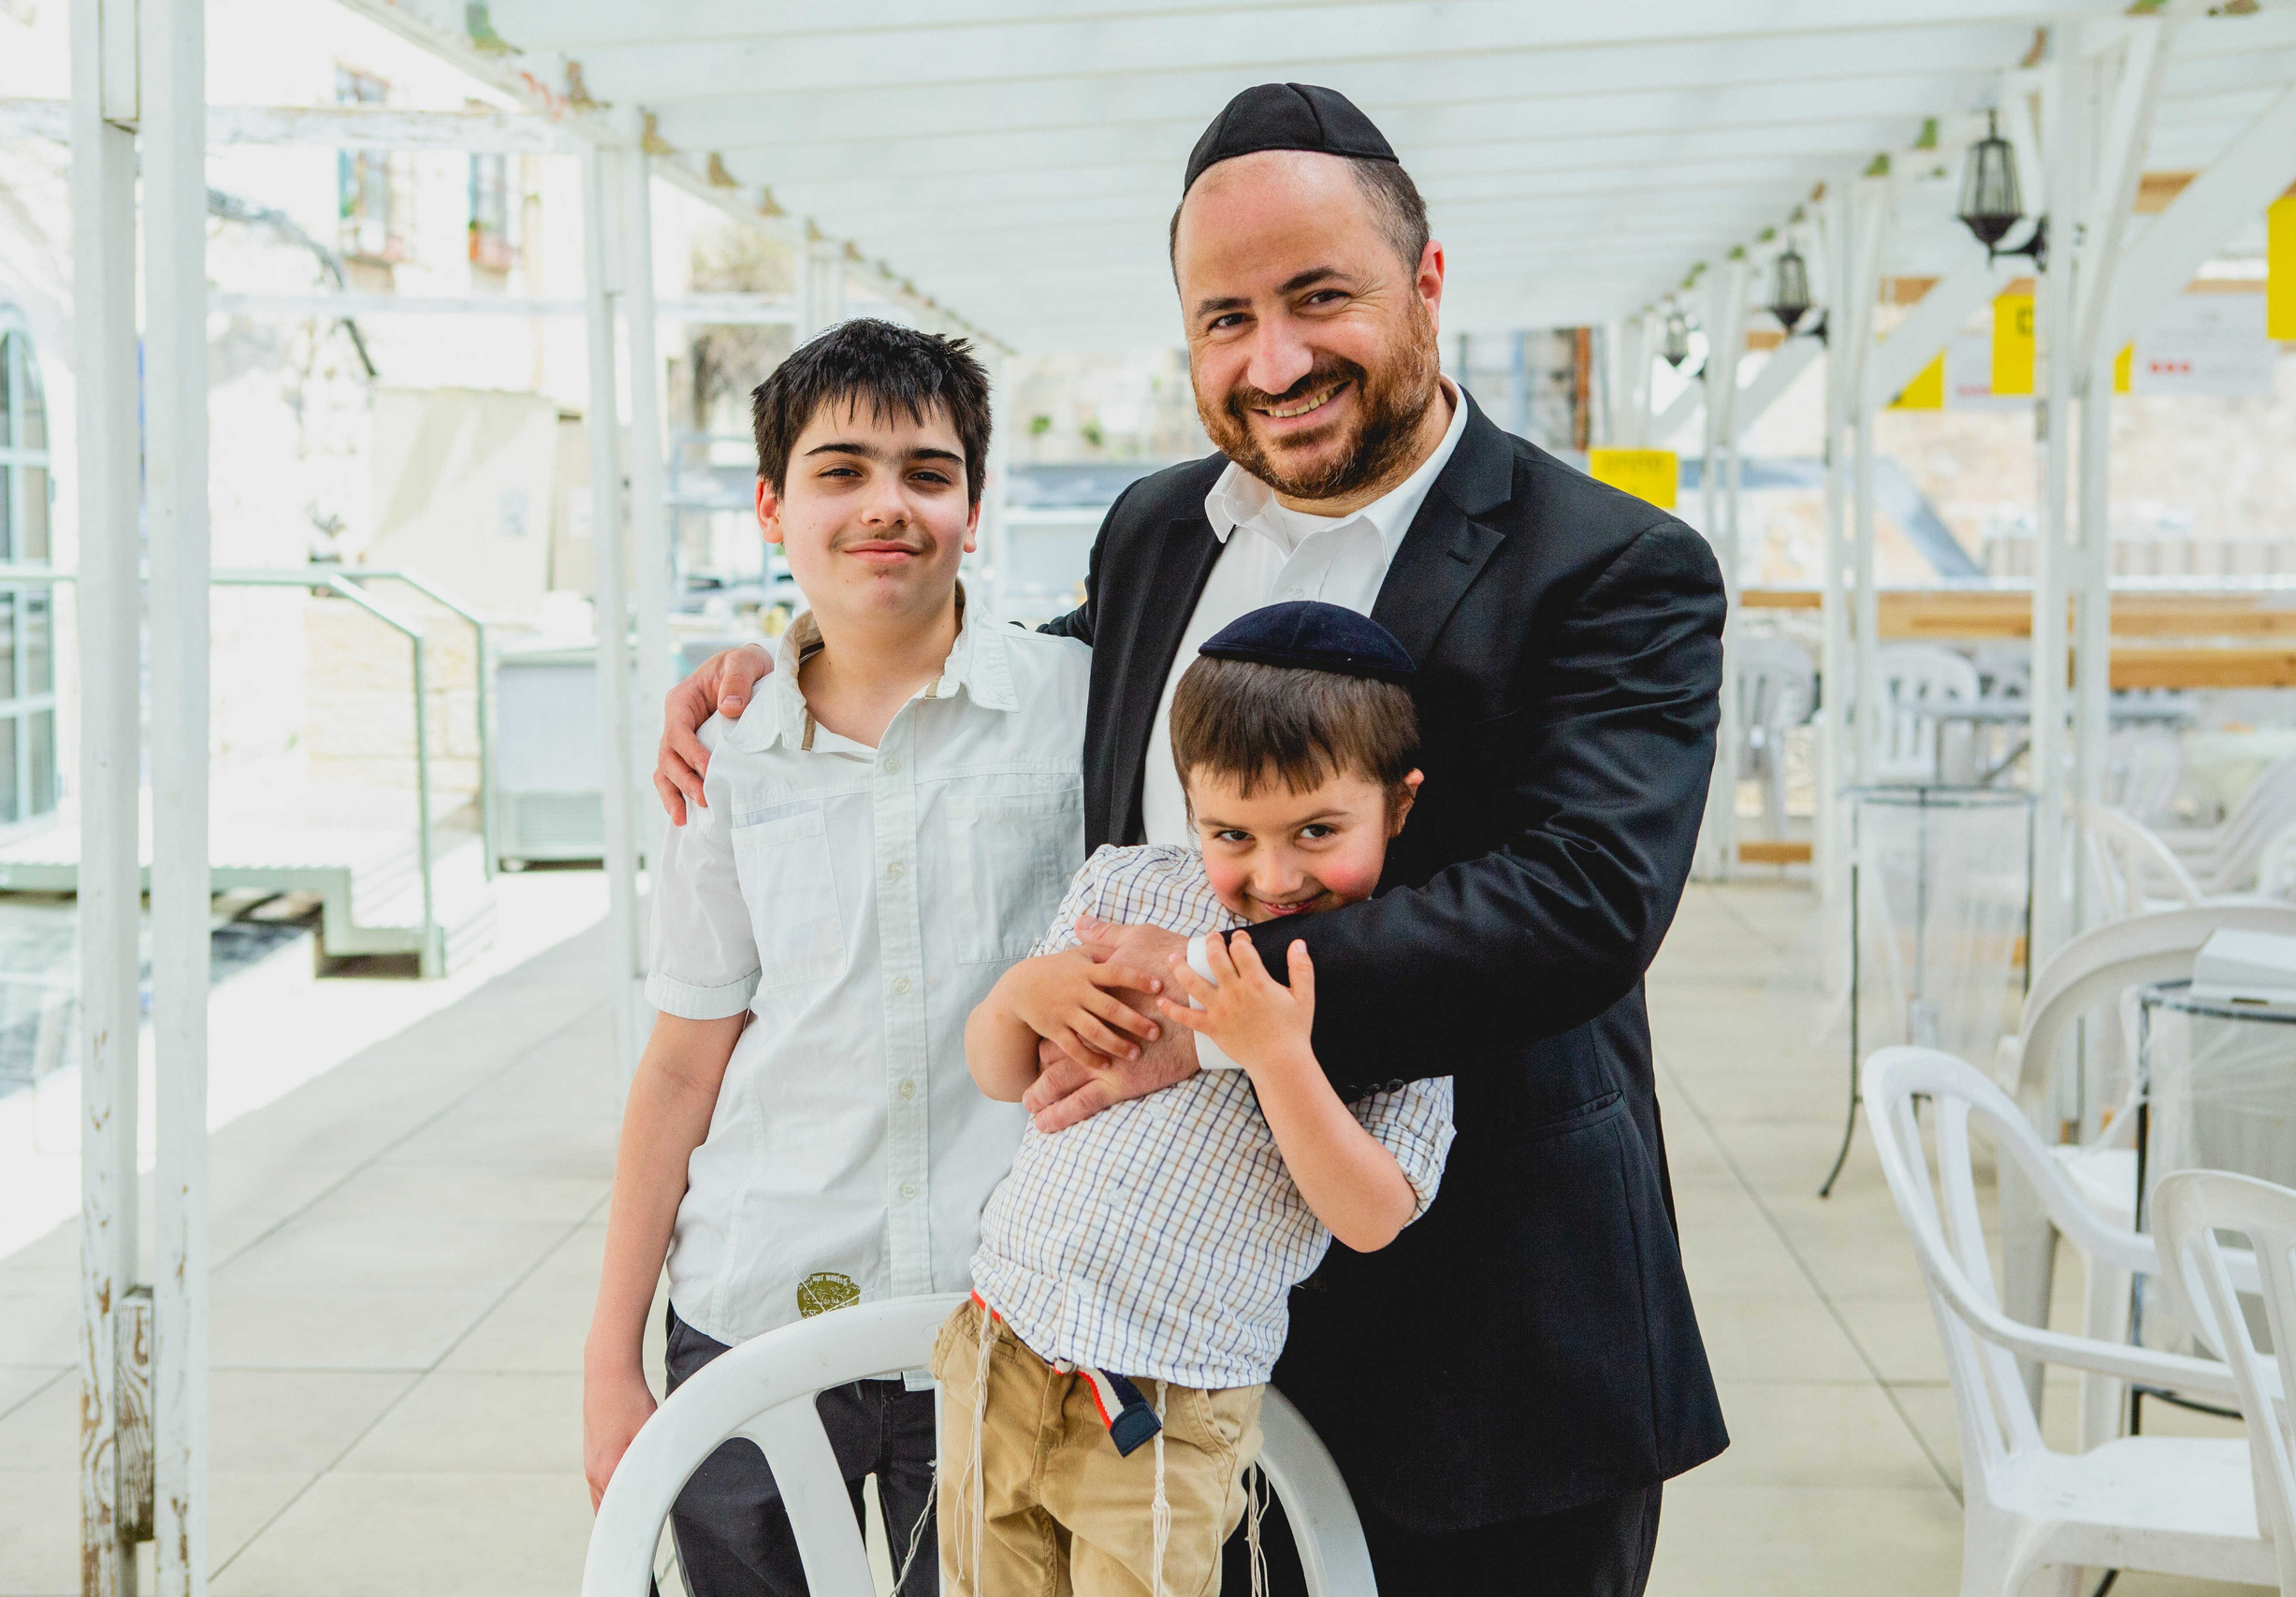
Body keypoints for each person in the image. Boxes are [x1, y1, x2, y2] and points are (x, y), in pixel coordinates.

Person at [654, 84, 1729, 1597]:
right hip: (1146, 1342)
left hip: (1484, 1346)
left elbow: (1583, 901)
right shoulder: (1156, 527)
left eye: (1318, 299)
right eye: (1224, 318)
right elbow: (1028, 678)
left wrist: (1216, 991)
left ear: (1427, 282)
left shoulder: (1613, 565)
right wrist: (787, 667)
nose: (1272, 360)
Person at [582, 319, 1094, 1597]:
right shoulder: (732, 750)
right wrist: (608, 1354)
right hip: (757, 1302)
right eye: (841, 469)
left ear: (976, 508)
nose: (888, 505)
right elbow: (684, 1063)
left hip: (1008, 1320)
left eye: (928, 472)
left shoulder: (1081, 705)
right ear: (773, 505)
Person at [937, 602, 1453, 1597]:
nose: (1273, 875)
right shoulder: (1127, 886)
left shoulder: (1398, 977)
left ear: (1398, 803)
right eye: (1230, 832)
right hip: (1002, 1338)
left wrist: (1271, 1054)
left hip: (1165, 1399)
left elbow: (1373, 1215)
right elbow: (1005, 1074)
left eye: (1317, 830)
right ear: (1185, 809)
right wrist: (1016, 996)